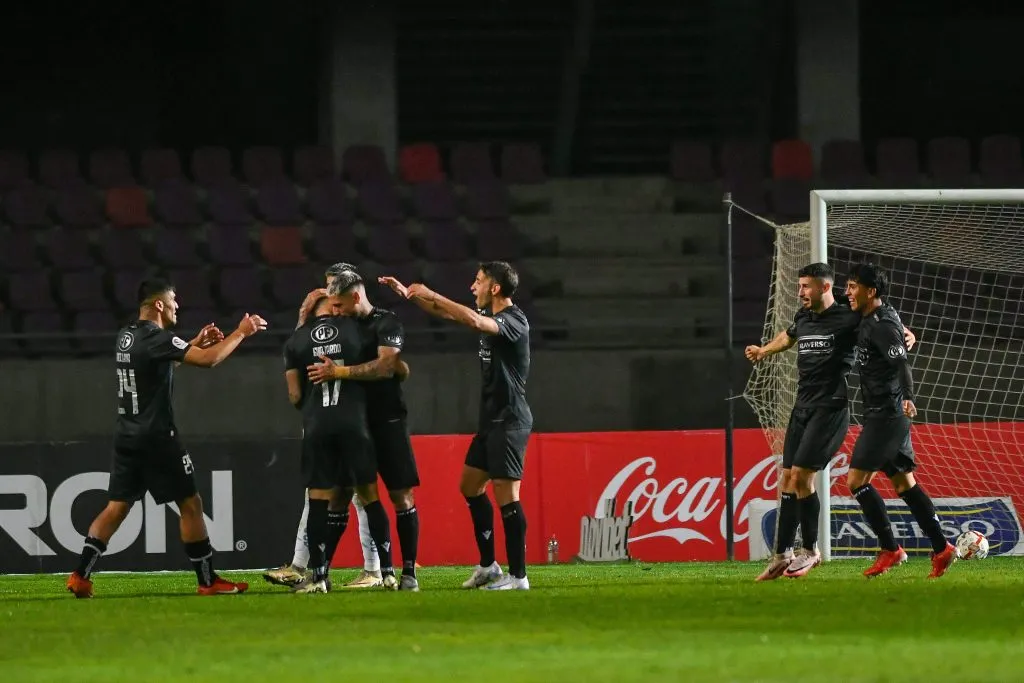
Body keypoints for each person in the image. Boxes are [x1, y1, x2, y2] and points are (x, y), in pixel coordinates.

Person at [66, 278, 267, 598]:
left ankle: (80, 575)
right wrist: (241, 332)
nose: (178, 306)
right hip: (157, 437)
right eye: (174, 301)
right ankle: (207, 581)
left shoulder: (127, 335)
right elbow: (209, 361)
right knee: (190, 503)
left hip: (127, 434)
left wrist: (192, 343)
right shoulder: (156, 338)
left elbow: (159, 360)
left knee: (117, 507)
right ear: (158, 304)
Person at [746, 263, 916, 580]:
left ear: (825, 287)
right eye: (799, 287)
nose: (800, 293)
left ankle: (811, 551)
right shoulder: (804, 317)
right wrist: (764, 350)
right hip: (803, 406)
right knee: (786, 479)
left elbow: (883, 318)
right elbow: (789, 336)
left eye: (806, 287)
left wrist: (905, 331)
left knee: (800, 477)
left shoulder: (849, 315)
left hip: (831, 408)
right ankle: (782, 554)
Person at [381, 261, 532, 591]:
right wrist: (410, 296)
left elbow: (473, 319)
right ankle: (489, 566)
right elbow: (453, 315)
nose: (472, 287)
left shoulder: (514, 320)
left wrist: (432, 292)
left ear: (495, 288)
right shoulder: (490, 318)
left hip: (510, 420)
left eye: (478, 282)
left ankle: (519, 577)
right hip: (490, 421)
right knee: (470, 486)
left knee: (507, 496)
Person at [263, 263, 382, 589]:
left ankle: (370, 570)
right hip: (349, 422)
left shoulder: (351, 330)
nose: (332, 300)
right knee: (344, 497)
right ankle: (309, 567)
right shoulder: (363, 330)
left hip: (340, 422)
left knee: (345, 496)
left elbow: (295, 393)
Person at [844, 262, 956, 579]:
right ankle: (942, 548)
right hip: (882, 412)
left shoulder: (881, 324)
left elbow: (901, 363)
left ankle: (891, 549)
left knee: (856, 481)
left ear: (871, 291)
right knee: (904, 483)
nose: (847, 292)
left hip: (887, 415)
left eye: (852, 286)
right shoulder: (876, 314)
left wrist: (908, 396)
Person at [283, 295, 397, 592]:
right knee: (370, 498)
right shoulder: (357, 332)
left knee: (319, 501)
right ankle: (386, 571)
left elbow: (294, 397)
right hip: (354, 426)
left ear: (310, 311)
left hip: (319, 426)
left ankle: (319, 576)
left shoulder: (297, 340)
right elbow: (383, 366)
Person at [326, 269, 421, 591]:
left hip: (388, 420)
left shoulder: (386, 322)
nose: (335, 312)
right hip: (353, 424)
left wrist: (339, 371)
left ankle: (409, 573)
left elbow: (384, 367)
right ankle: (377, 571)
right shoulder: (338, 327)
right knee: (358, 495)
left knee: (400, 495)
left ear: (355, 296)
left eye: (338, 305)